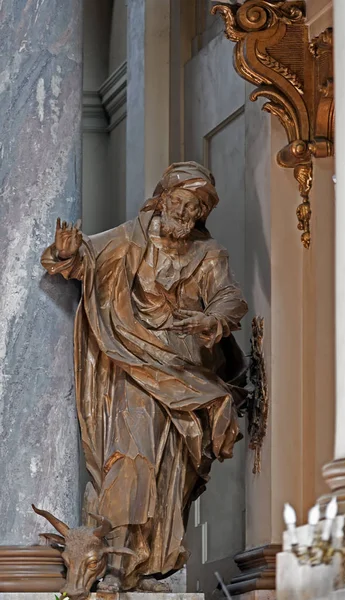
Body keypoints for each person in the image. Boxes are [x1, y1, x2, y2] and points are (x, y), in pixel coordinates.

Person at [41, 161, 248, 592]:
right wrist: (66, 252)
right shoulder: (128, 240)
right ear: (164, 198)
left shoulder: (208, 256)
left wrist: (210, 318)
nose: (188, 215)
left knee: (172, 468)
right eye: (182, 203)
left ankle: (154, 559)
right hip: (133, 366)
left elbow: (230, 298)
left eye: (196, 208)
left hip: (183, 371)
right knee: (131, 457)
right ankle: (117, 559)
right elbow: (83, 263)